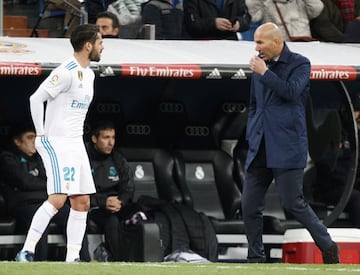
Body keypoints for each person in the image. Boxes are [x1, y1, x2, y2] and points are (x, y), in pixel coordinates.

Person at [242, 22, 339, 264]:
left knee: (292, 203)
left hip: (287, 145)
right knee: (249, 205)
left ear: (276, 42)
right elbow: (255, 104)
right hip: (260, 145)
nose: (256, 47)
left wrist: (265, 72)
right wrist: (252, 132)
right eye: (255, 42)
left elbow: (292, 92)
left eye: (260, 42)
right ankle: (255, 258)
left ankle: (328, 246)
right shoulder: (260, 65)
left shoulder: (300, 64)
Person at [15, 24, 104, 263]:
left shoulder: (91, 74)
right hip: (56, 142)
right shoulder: (66, 71)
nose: (102, 46)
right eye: (99, 42)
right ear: (88, 45)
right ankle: (27, 251)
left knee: (82, 201)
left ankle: (72, 259)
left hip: (76, 144)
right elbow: (36, 98)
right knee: (57, 198)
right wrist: (41, 133)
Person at [0, 124, 90, 261]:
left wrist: (45, 185)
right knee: (41, 219)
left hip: (45, 202)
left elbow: (52, 180)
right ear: (17, 141)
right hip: (22, 205)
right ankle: (40, 262)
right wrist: (48, 186)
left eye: (35, 137)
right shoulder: (7, 157)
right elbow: (24, 181)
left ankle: (82, 259)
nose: (34, 141)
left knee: (72, 214)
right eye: (30, 138)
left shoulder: (41, 158)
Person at [86, 120, 134, 261]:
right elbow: (76, 192)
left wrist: (120, 201)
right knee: (112, 220)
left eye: (113, 137)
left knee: (141, 214)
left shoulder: (117, 158)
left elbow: (128, 187)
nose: (111, 142)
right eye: (106, 138)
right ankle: (118, 261)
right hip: (93, 207)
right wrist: (103, 201)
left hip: (117, 205)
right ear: (94, 139)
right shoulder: (82, 158)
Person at [245, 0, 324, 41]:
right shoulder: (267, 3)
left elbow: (317, 9)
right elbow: (253, 16)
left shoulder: (301, 2)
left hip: (303, 44)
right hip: (277, 46)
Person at [183, 0, 251, 40]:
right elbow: (191, 24)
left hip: (230, 46)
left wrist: (239, 23)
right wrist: (213, 23)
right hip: (202, 45)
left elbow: (246, 17)